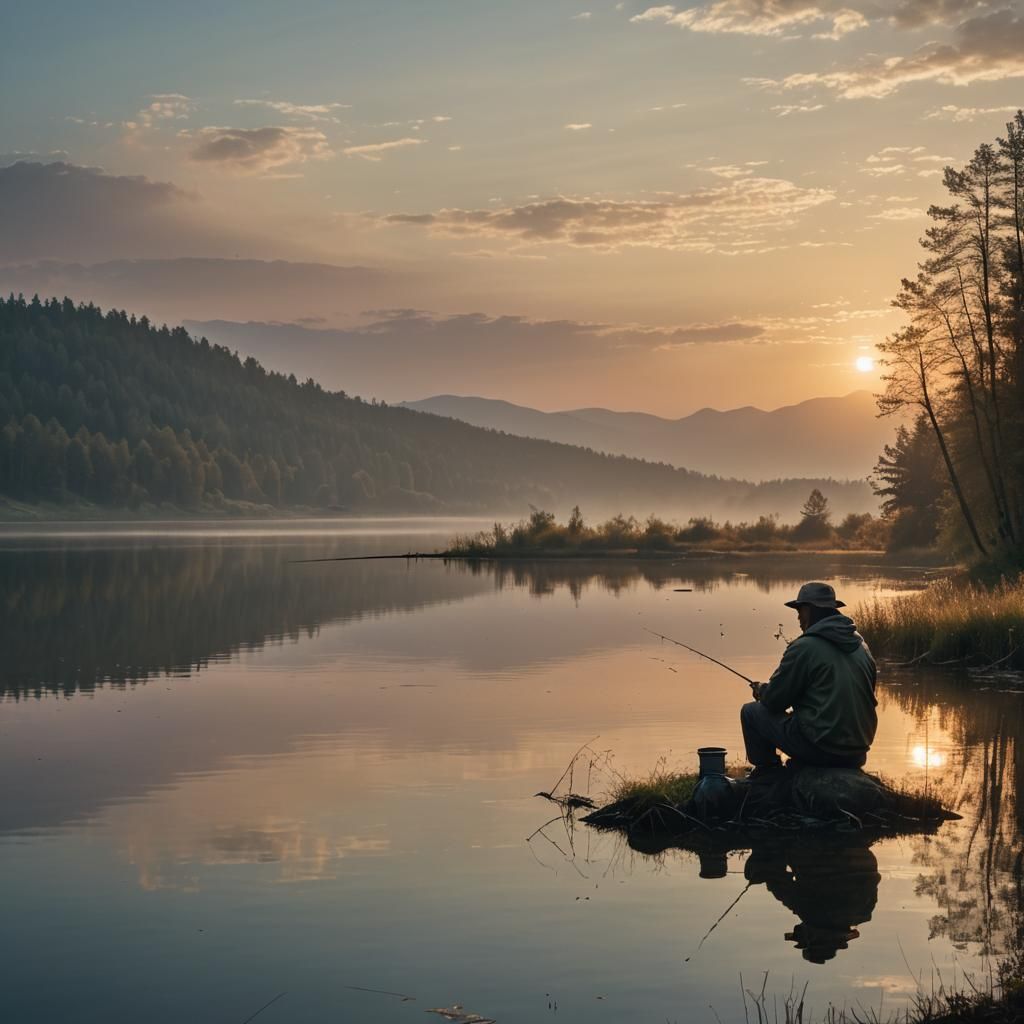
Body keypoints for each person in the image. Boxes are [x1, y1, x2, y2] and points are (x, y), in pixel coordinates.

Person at [741, 581, 877, 774]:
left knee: (750, 712)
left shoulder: (804, 647)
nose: (798, 617)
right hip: (857, 754)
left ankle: (768, 775)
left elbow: (774, 701)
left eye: (800, 610)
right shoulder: (862, 646)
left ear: (810, 610)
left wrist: (762, 690)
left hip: (821, 750)